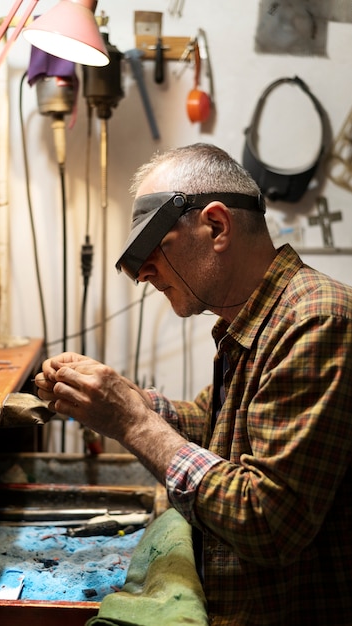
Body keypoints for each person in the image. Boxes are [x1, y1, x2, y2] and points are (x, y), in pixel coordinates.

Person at [35, 143, 352, 625]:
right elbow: (212, 423)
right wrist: (114, 396)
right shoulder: (251, 322)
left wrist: (132, 421)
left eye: (150, 249)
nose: (142, 274)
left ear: (217, 227)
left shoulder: (316, 321)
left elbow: (266, 521)